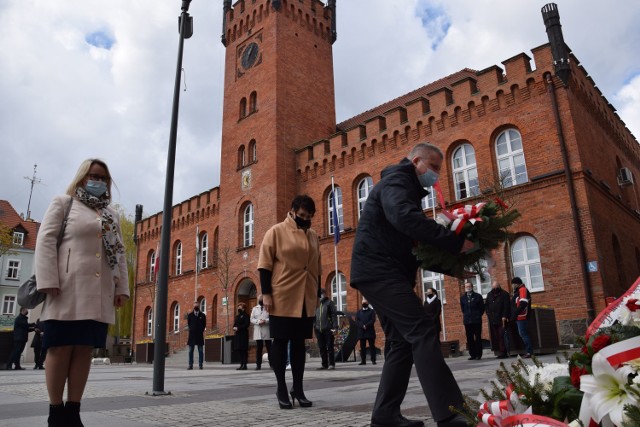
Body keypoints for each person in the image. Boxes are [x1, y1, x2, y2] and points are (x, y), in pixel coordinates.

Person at [350, 142, 475, 427]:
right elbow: (405, 219)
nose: (435, 176)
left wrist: (451, 268)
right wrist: (456, 242)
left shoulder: (404, 187)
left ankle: (385, 416)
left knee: (400, 342)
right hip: (379, 270)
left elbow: (412, 248)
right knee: (421, 330)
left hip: (381, 270)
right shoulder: (397, 180)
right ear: (416, 161)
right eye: (433, 168)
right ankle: (450, 413)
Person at [35, 158, 129, 427]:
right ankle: (56, 411)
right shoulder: (64, 204)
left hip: (98, 292)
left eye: (103, 178)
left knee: (84, 350)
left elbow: (119, 254)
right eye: (93, 176)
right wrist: (48, 280)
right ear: (81, 177)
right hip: (64, 288)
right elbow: (45, 241)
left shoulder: (111, 215)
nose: (98, 182)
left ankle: (73, 409)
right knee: (60, 347)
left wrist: (121, 287)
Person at [258, 195, 321, 410]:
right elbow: (264, 265)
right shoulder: (275, 232)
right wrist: (266, 294)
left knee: (298, 343)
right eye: (302, 215)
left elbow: (316, 267)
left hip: (306, 297)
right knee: (280, 342)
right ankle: (281, 387)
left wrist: (317, 293)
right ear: (293, 211)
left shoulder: (313, 236)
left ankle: (298, 388)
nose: (305, 219)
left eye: (309, 216)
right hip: (282, 295)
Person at [485, 280, 511, 359]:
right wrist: (489, 314)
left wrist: (504, 316)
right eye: (494, 287)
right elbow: (487, 306)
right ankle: (500, 351)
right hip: (493, 319)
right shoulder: (489, 294)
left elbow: (506, 306)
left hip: (501, 319)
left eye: (496, 287)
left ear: (499, 286)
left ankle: (504, 352)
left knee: (501, 335)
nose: (495, 288)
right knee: (496, 336)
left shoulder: (504, 294)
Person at [460, 281, 485, 361]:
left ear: (472, 287)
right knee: (469, 338)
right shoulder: (463, 298)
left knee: (477, 337)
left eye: (469, 286)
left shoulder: (478, 296)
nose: (468, 288)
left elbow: (482, 308)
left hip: (476, 320)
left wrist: (477, 315)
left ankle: (478, 354)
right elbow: (463, 309)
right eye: (466, 286)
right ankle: (472, 354)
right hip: (467, 321)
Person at [314, 289, 338, 370]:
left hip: (328, 329)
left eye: (321, 294)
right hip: (319, 330)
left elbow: (333, 315)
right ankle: (324, 364)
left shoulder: (329, 303)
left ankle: (331, 364)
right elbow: (314, 317)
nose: (320, 296)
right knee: (322, 347)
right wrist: (315, 327)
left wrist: (335, 327)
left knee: (330, 347)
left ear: (324, 294)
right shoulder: (316, 305)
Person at [511, 277, 533, 358]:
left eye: (513, 284)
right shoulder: (518, 291)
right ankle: (528, 351)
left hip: (522, 316)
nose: (512, 286)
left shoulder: (522, 290)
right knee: (523, 334)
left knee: (523, 334)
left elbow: (523, 303)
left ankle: (529, 352)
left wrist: (515, 313)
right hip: (519, 316)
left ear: (516, 283)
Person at [250, 295, 271, 370]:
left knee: (269, 348)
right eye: (260, 299)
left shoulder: (268, 307)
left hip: (266, 329)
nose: (261, 300)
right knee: (259, 348)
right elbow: (252, 319)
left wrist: (265, 321)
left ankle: (272, 364)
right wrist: (258, 322)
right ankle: (258, 365)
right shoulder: (255, 309)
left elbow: (271, 317)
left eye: (262, 299)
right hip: (258, 330)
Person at [356, 297, 377, 365]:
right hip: (362, 332)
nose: (364, 303)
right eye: (363, 302)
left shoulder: (372, 311)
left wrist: (366, 325)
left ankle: (373, 360)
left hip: (370, 331)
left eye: (365, 302)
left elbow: (373, 320)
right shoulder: (359, 312)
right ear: (362, 303)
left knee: (372, 346)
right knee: (362, 347)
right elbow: (357, 320)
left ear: (368, 303)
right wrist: (362, 326)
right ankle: (363, 361)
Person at [187, 302, 206, 370]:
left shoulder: (202, 315)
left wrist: (201, 330)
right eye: (195, 305)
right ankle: (190, 365)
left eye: (197, 305)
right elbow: (189, 324)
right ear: (193, 306)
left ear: (199, 306)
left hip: (199, 335)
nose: (196, 306)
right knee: (190, 351)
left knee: (200, 350)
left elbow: (204, 325)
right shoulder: (190, 315)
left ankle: (200, 365)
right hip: (192, 335)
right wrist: (192, 330)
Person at [233, 302, 250, 370]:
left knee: (244, 350)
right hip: (238, 335)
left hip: (243, 334)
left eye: (239, 306)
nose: (238, 308)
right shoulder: (237, 316)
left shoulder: (246, 315)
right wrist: (234, 327)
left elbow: (246, 324)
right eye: (238, 307)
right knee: (239, 350)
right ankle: (241, 364)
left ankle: (245, 364)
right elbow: (235, 324)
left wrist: (238, 328)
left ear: (243, 308)